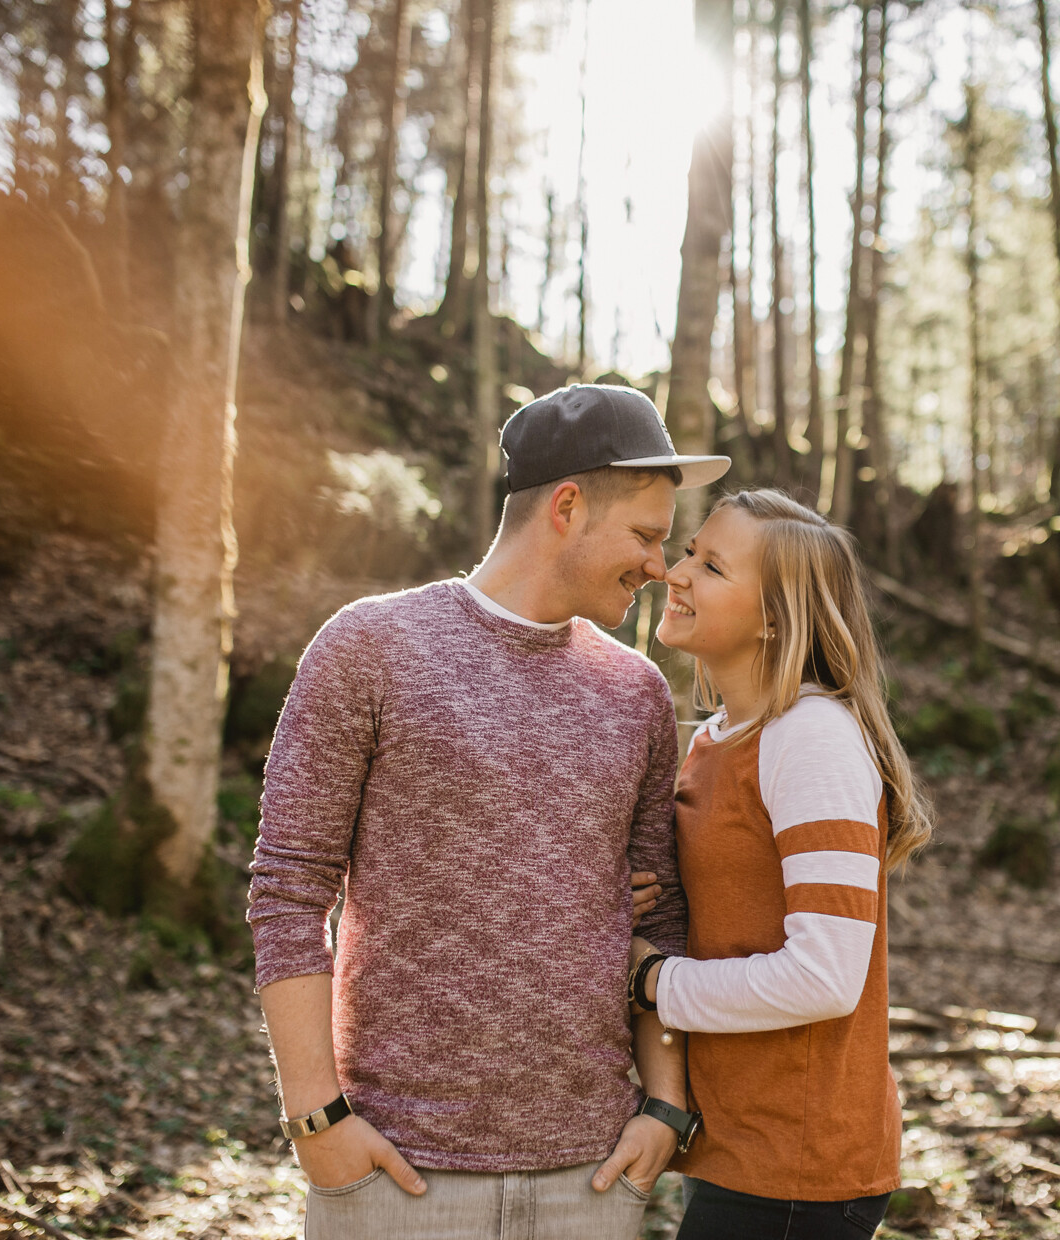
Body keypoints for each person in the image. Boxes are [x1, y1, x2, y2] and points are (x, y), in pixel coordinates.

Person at [246, 384, 729, 1239]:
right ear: (569, 508)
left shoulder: (637, 693)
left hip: (591, 1177)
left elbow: (667, 912)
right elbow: (289, 889)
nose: (661, 566)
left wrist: (664, 1104)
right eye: (647, 537)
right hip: (399, 1177)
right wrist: (316, 1120)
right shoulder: (371, 647)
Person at [625, 489, 932, 1240]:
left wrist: (651, 981)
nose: (678, 573)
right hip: (742, 1146)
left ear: (773, 618)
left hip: (800, 1163)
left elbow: (824, 977)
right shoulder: (720, 736)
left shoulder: (811, 737)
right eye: (690, 551)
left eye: (713, 566)